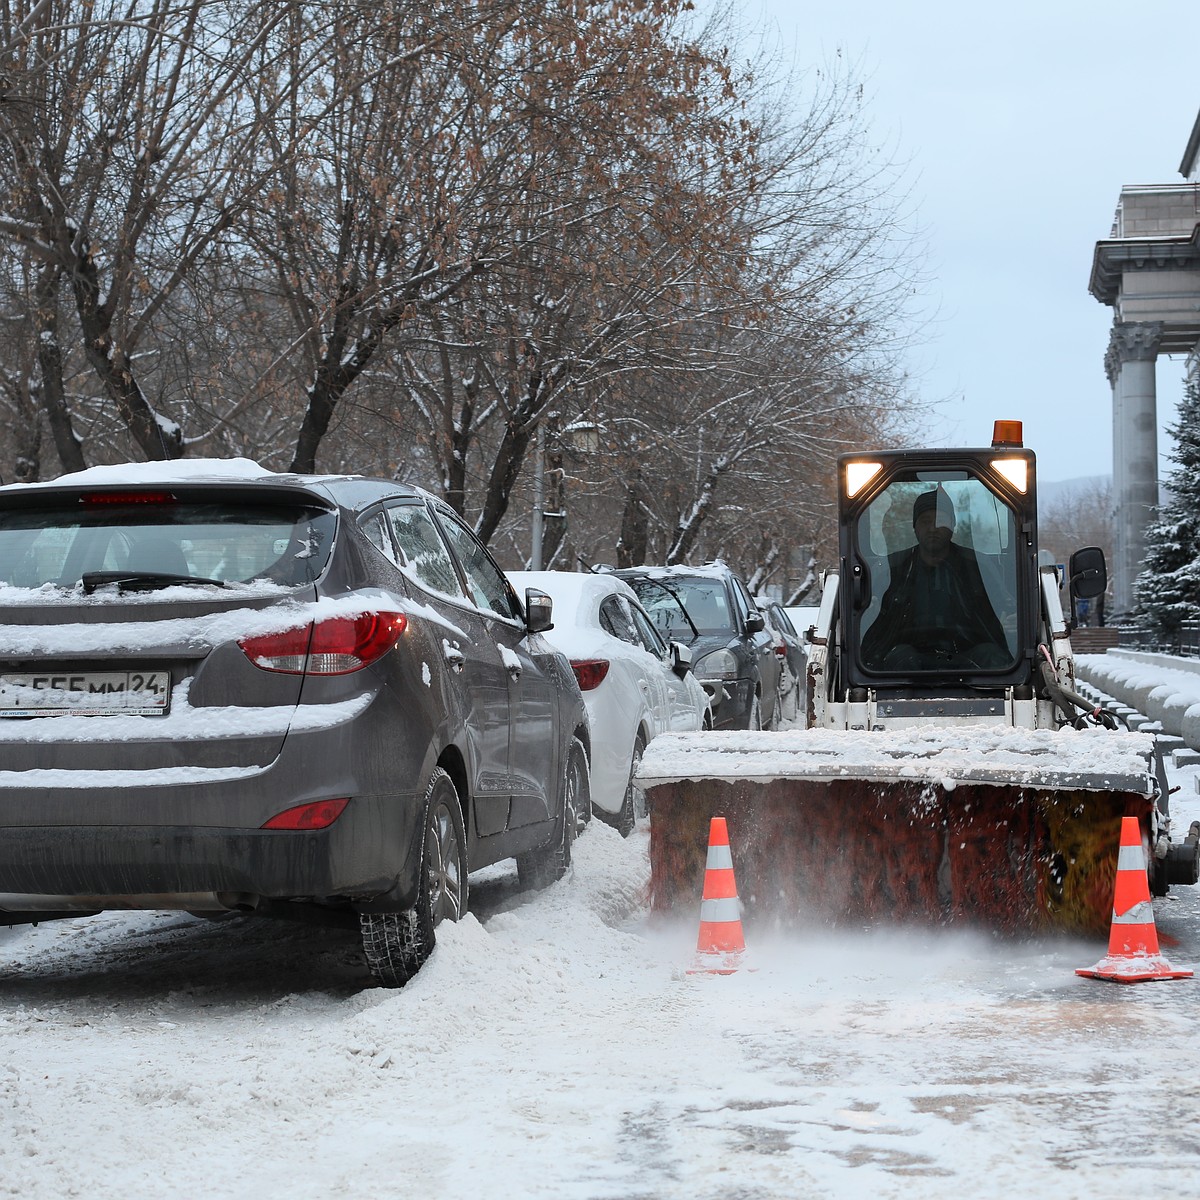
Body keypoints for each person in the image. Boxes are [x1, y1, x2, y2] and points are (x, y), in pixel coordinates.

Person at [860, 488, 1010, 671]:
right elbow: (872, 617)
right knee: (897, 658)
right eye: (925, 521)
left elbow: (1006, 609)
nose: (933, 528)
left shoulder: (978, 566)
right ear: (914, 526)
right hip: (907, 659)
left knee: (993, 656)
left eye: (940, 521)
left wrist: (1010, 620)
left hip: (970, 653)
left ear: (953, 525)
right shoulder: (892, 569)